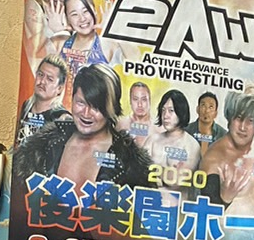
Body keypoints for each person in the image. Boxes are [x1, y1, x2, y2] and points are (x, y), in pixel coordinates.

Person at [12, 62, 150, 193]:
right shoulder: (43, 145)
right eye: (81, 103)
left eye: (96, 107)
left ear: (112, 109)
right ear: (72, 99)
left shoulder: (131, 164)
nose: (86, 113)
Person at [201, 90, 254, 216]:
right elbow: (203, 214)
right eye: (239, 118)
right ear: (230, 118)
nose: (243, 127)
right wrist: (224, 199)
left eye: (250, 120)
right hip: (224, 228)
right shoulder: (213, 158)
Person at [55, 0, 121, 107]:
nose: (82, 18)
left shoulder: (106, 44)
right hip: (64, 111)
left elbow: (136, 58)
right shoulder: (62, 43)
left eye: (86, 11)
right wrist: (54, 30)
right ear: (67, 19)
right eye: (74, 14)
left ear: (94, 11)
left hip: (95, 111)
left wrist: (113, 30)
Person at [147, 90, 202, 186]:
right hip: (149, 194)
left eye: (171, 110)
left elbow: (178, 182)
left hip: (176, 196)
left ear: (181, 112)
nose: (165, 116)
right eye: (163, 110)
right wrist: (166, 173)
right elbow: (138, 171)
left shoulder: (192, 145)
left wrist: (155, 170)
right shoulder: (152, 140)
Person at [23, 0, 68, 75]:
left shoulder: (59, 6)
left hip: (61, 67)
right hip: (41, 68)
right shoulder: (32, 5)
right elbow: (35, 47)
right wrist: (53, 29)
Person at [16, 55, 69, 145]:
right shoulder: (26, 105)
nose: (42, 81)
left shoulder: (61, 119)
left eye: (50, 79)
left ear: (59, 88)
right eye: (40, 75)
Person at [187, 92, 226, 157]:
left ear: (215, 113)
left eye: (211, 107)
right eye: (203, 105)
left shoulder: (223, 135)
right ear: (197, 109)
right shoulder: (186, 131)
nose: (207, 110)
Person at [126, 81, 155, 152]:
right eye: (135, 99)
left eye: (144, 99)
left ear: (149, 101)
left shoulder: (159, 129)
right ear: (130, 101)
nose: (139, 104)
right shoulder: (121, 124)